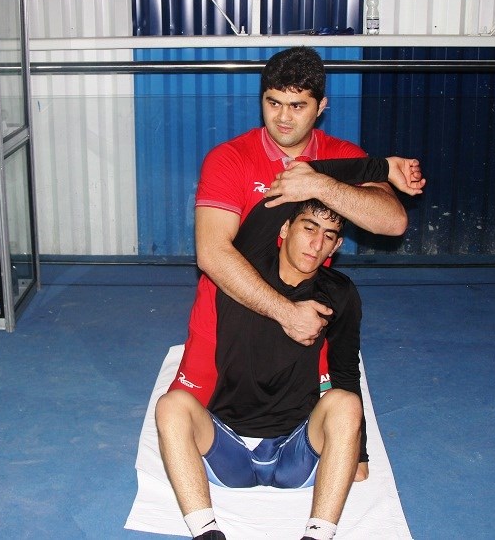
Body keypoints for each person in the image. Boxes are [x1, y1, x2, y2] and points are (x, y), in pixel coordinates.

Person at [156, 156, 423, 540]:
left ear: (337, 245)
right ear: (285, 227)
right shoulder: (244, 267)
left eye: (329, 236)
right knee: (171, 406)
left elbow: (345, 369)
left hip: (296, 448)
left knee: (345, 402)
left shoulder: (339, 292)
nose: (316, 244)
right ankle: (207, 533)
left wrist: (359, 451)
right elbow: (293, 175)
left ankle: (318, 534)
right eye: (309, 227)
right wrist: (379, 168)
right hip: (227, 444)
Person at [169, 46, 408, 419]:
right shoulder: (229, 159)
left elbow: (392, 221)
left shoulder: (342, 157)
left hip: (308, 321)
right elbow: (212, 253)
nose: (282, 117)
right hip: (228, 316)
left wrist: (318, 184)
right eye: (273, 103)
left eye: (297, 106)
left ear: (321, 106)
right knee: (183, 420)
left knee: (332, 426)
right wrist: (285, 313)